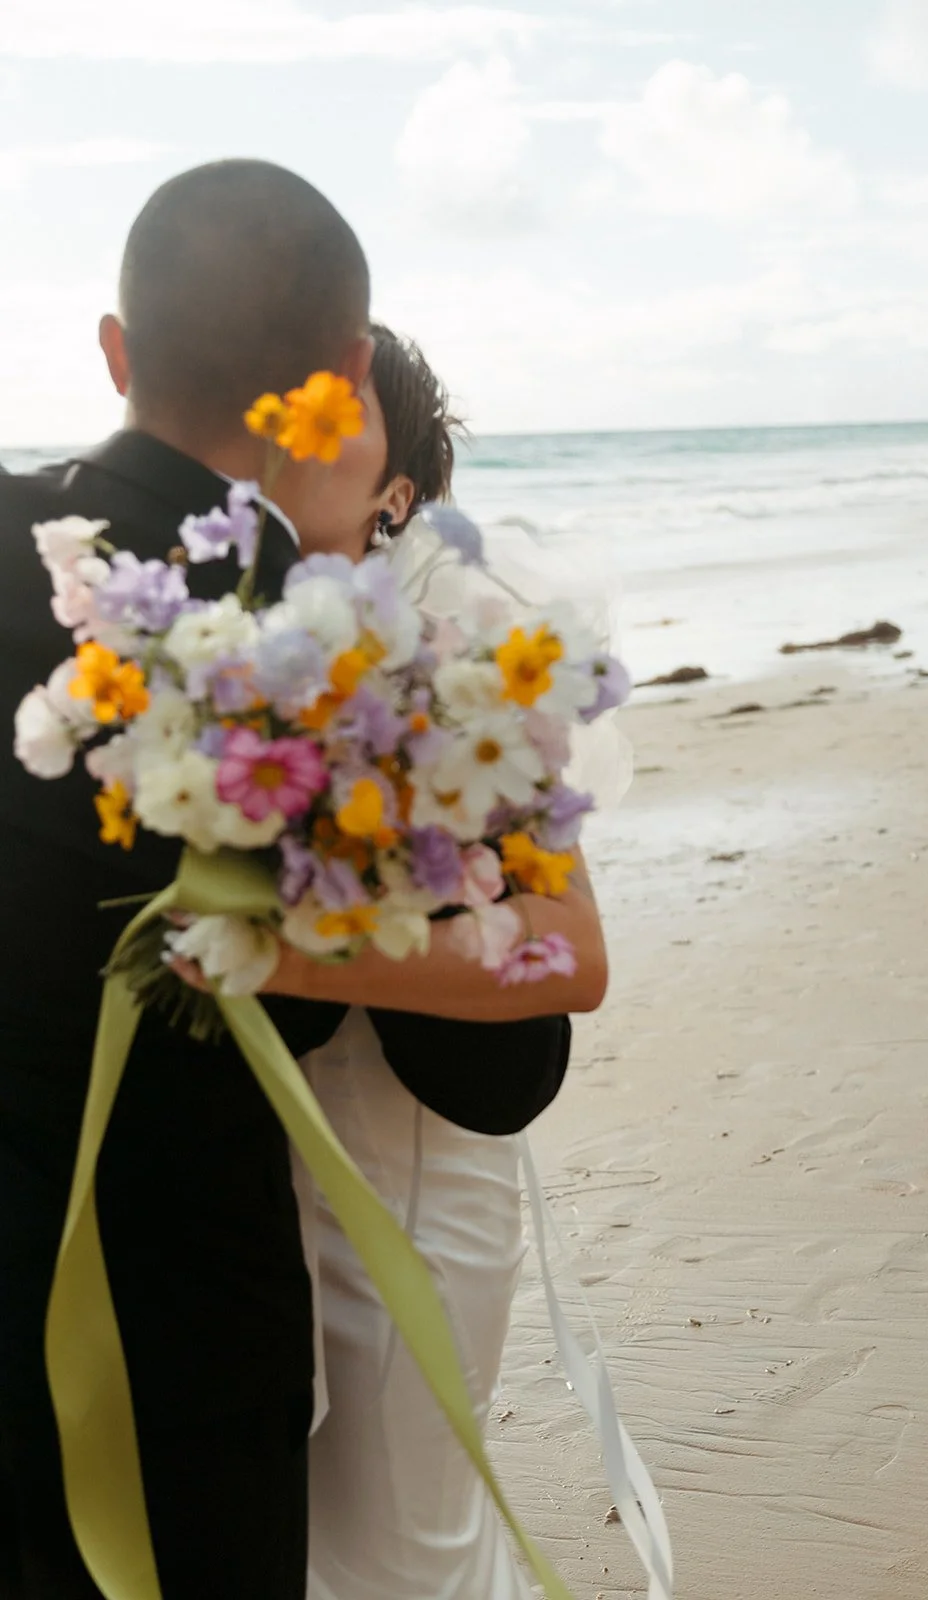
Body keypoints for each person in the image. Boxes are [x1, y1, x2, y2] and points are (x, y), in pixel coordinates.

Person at [0, 162, 575, 1600]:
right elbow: (500, 1060)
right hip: (193, 1336)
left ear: (116, 350)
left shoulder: (335, 637)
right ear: (342, 379)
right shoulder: (326, 655)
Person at [296, 329, 608, 1598]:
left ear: (396, 487)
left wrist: (278, 958)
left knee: (402, 1553)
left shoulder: (455, 658)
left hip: (413, 1165)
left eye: (318, 429)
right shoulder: (240, 651)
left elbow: (567, 953)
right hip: (262, 1165)